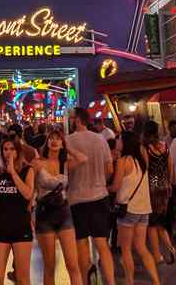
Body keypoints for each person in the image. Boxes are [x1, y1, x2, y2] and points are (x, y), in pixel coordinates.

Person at [67, 107, 117, 285]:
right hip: (99, 196)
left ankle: (87, 276)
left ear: (77, 120)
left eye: (72, 118)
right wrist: (100, 180)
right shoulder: (100, 139)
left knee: (81, 243)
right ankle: (110, 281)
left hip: (77, 199)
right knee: (102, 243)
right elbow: (109, 168)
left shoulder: (68, 141)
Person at [33, 127, 86, 285]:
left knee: (72, 264)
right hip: (44, 213)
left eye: (58, 138)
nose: (54, 141)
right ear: (47, 142)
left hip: (63, 212)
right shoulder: (38, 162)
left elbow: (83, 159)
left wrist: (67, 147)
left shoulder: (66, 163)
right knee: (49, 266)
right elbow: (30, 185)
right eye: (51, 138)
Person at [110, 131, 160, 285]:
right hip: (144, 208)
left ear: (125, 143)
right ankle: (156, 281)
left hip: (128, 209)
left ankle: (129, 281)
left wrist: (104, 187)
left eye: (119, 139)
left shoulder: (123, 161)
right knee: (141, 247)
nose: (117, 142)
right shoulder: (142, 160)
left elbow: (116, 186)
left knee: (125, 249)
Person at [0, 138, 35, 285]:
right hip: (1, 228)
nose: (8, 152)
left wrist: (13, 173)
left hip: (21, 228)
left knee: (22, 278)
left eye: (12, 149)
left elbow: (28, 194)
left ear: (18, 152)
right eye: (5, 149)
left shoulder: (28, 170)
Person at [142, 121, 176, 265]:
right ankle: (170, 247)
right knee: (160, 221)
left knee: (152, 224)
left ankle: (157, 255)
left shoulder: (146, 148)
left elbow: (146, 168)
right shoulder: (164, 146)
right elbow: (171, 167)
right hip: (165, 187)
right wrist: (169, 184)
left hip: (152, 187)